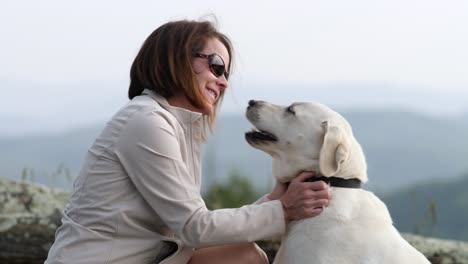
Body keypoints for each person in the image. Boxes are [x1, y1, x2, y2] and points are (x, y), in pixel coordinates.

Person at [45, 18, 330, 264]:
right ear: (177, 58)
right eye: (216, 66)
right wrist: (282, 209)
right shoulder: (146, 121)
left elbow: (194, 224)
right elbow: (195, 228)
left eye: (226, 73)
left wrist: (273, 200)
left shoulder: (175, 125)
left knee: (245, 256)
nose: (224, 82)